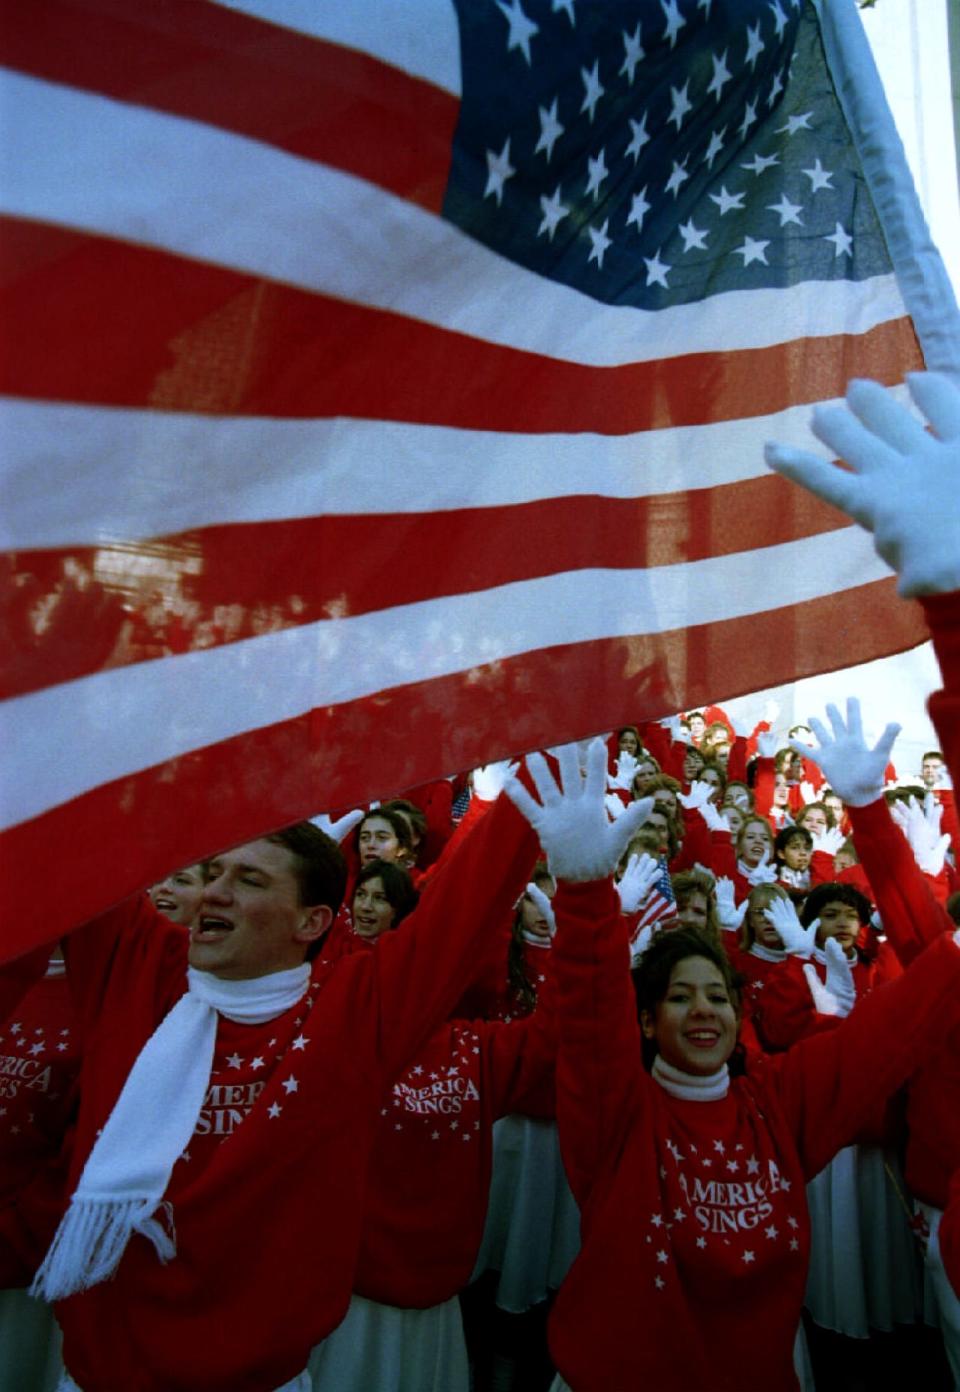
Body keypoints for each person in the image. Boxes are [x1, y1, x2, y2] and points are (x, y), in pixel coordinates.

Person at [14, 770, 540, 1392]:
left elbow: (466, 903)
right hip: (96, 1375)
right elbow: (69, 821)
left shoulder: (350, 1015)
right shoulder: (137, 966)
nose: (214, 893)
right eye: (214, 873)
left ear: (312, 922)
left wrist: (527, 777)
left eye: (250, 880)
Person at [504, 738, 960, 1392]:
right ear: (646, 1020)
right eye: (681, 996)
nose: (704, 1011)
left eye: (717, 995)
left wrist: (875, 824)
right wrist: (583, 893)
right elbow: (588, 1020)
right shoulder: (618, 1112)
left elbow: (892, 1031)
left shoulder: (776, 1101)